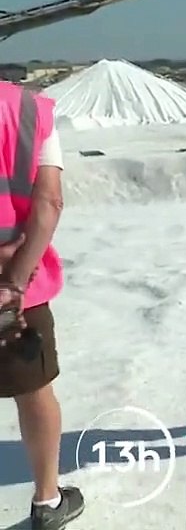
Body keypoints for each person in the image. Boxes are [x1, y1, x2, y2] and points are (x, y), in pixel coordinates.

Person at [0, 83, 85, 529]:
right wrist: (14, 283)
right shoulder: (31, 110)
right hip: (14, 289)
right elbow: (49, 202)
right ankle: (48, 503)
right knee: (33, 393)